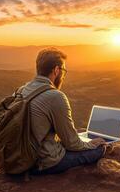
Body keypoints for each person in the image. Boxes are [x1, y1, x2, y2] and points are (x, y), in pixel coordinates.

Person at [19, 47, 107, 175]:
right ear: (56, 70)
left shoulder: (22, 89)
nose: (64, 76)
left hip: (19, 157)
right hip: (40, 162)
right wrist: (93, 144)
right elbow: (72, 144)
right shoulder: (55, 96)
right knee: (100, 149)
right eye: (64, 71)